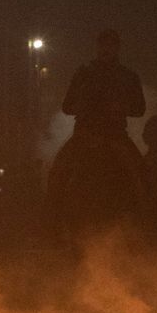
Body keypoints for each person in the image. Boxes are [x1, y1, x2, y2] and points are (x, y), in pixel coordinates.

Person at [47, 28, 147, 227]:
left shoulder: (128, 77)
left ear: (117, 48)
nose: (106, 50)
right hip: (85, 134)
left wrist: (120, 107)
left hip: (115, 135)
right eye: (103, 45)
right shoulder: (84, 74)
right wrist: (84, 106)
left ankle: (147, 220)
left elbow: (139, 108)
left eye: (111, 46)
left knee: (141, 174)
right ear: (97, 47)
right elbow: (67, 106)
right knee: (58, 171)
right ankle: (50, 223)